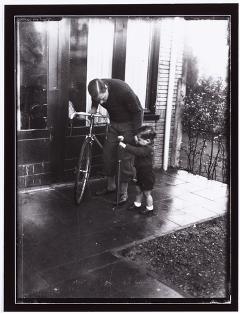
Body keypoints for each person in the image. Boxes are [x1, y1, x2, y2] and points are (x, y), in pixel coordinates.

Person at [88, 78, 143, 205]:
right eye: (99, 100)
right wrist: (94, 107)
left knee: (125, 157)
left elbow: (138, 111)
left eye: (103, 98)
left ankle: (123, 192)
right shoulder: (96, 89)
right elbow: (95, 99)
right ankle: (111, 186)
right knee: (108, 154)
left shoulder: (124, 91)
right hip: (114, 124)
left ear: (106, 88)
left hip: (129, 124)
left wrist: (136, 133)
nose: (102, 102)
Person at [118, 125, 156, 215]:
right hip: (140, 173)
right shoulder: (142, 144)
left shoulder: (148, 149)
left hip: (147, 175)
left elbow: (136, 151)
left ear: (148, 141)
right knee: (138, 190)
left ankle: (150, 209)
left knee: (147, 193)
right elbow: (133, 141)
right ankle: (137, 204)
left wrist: (124, 146)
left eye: (139, 139)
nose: (137, 141)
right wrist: (124, 138)